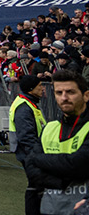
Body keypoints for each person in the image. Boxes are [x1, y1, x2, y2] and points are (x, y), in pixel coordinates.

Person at [26, 69, 89, 215]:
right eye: (59, 93)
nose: (64, 97)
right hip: (48, 209)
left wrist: (38, 159)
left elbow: (78, 165)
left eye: (70, 92)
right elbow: (30, 169)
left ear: (86, 95)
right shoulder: (50, 128)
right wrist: (60, 182)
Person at [13, 72, 52, 215]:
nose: (43, 88)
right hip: (29, 154)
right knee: (35, 187)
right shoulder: (24, 107)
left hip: (31, 153)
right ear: (30, 89)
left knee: (36, 186)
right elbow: (26, 136)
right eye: (40, 86)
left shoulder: (29, 103)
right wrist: (36, 157)